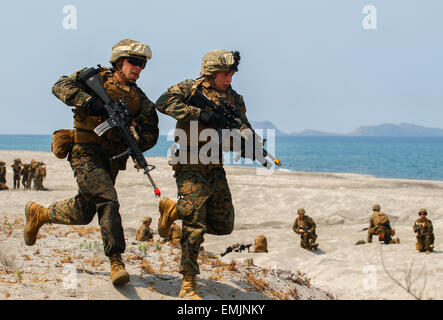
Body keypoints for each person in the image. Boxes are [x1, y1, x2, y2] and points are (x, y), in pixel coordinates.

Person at [23, 39, 159, 286]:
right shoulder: (95, 78)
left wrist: (135, 132)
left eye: (142, 65)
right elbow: (59, 86)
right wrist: (88, 101)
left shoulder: (140, 100)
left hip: (111, 158)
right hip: (84, 150)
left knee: (86, 210)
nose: (138, 69)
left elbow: (151, 134)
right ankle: (116, 260)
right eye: (134, 63)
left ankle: (40, 214)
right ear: (119, 61)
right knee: (108, 198)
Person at [155, 49, 247, 300]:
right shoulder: (190, 89)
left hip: (215, 164)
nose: (229, 78)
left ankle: (173, 210)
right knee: (195, 224)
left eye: (232, 73)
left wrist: (247, 141)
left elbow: (242, 126)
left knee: (223, 223)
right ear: (210, 72)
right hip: (189, 160)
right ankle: (188, 283)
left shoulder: (234, 99)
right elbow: (163, 102)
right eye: (224, 74)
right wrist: (200, 114)